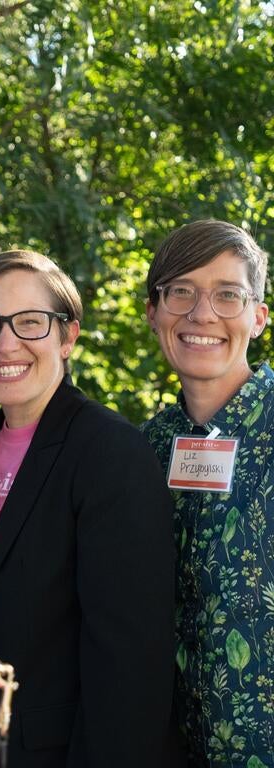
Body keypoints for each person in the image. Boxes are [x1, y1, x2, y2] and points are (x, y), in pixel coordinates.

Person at [0, 250, 182, 768]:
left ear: (67, 336)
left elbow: (130, 661)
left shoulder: (110, 452)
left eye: (30, 322)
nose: (7, 343)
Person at [142, 220, 273, 766]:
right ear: (153, 312)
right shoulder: (141, 449)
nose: (202, 314)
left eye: (227, 295)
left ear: (258, 317)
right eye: (181, 292)